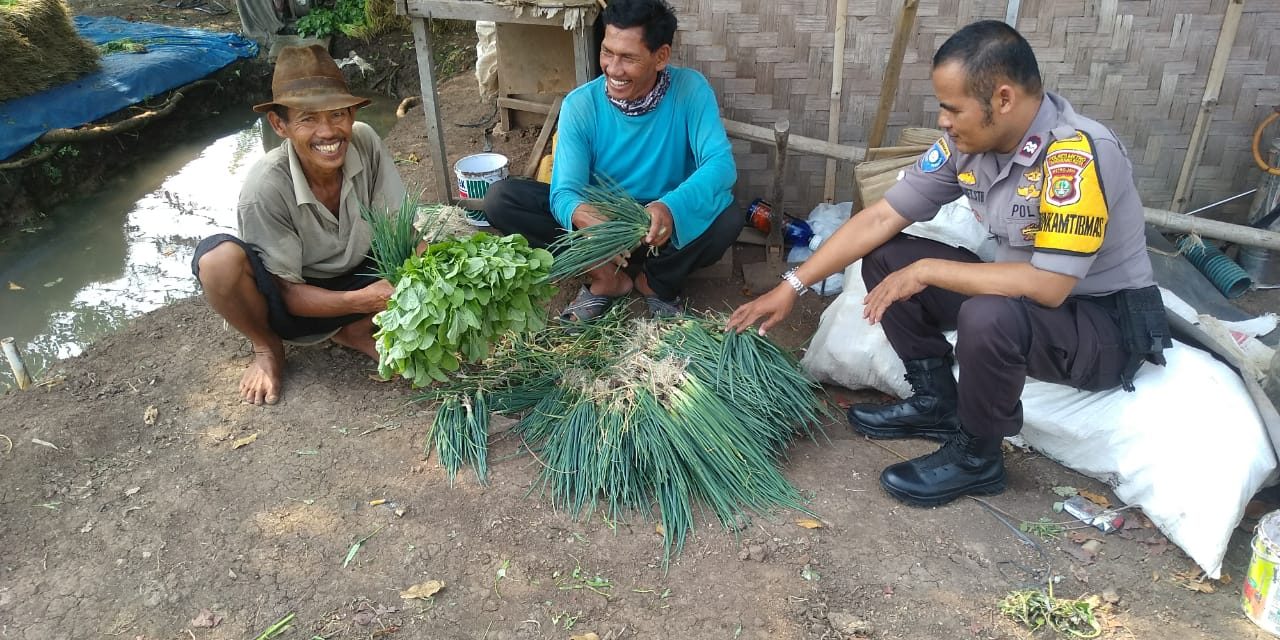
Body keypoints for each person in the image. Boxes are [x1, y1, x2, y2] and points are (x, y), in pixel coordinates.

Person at [727, 20, 1169, 507]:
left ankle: (978, 457)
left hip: (1099, 324)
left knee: (986, 310)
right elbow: (881, 216)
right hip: (1030, 307)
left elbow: (1049, 286)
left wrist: (927, 272)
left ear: (1002, 99)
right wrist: (793, 284)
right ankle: (937, 399)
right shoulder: (967, 146)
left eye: (952, 108)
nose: (943, 120)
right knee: (887, 254)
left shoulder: (1076, 155)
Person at [484, 0, 738, 320]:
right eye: (607, 52)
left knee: (728, 216)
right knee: (502, 199)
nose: (613, 69)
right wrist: (581, 213)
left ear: (661, 57)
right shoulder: (581, 104)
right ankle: (606, 277)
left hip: (662, 227)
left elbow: (721, 165)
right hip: (602, 229)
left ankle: (655, 281)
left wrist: (670, 207)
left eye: (628, 57)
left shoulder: (691, 90)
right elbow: (564, 191)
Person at [192, 44, 406, 405]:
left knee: (428, 255)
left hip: (364, 274)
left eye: (338, 114)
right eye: (308, 118)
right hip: (299, 301)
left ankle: (354, 331)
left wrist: (422, 280)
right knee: (217, 262)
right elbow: (288, 294)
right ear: (280, 125)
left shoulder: (365, 140)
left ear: (352, 114)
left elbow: (403, 230)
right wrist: (365, 299)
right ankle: (266, 348)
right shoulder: (264, 187)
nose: (328, 132)